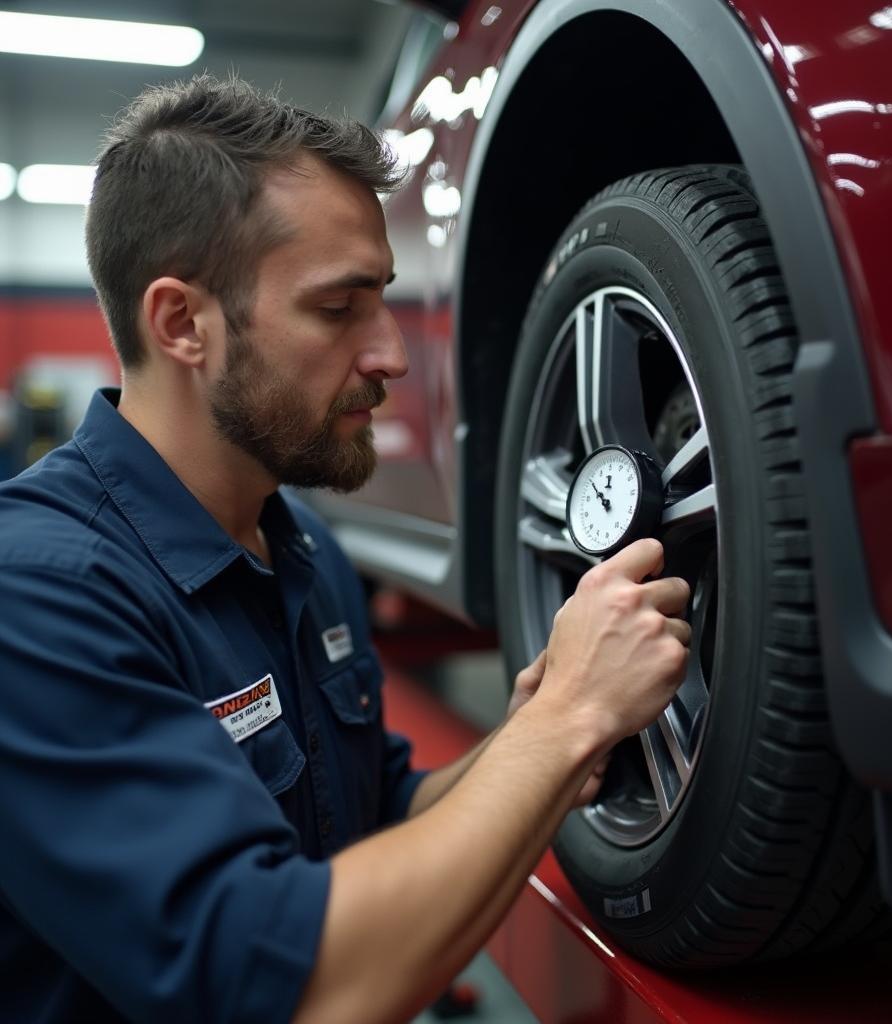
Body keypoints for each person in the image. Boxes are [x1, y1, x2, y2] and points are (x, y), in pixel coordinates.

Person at [0, 75, 691, 1024]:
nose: (392, 356)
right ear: (181, 324)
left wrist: (536, 738)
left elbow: (380, 818)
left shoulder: (305, 553)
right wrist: (562, 721)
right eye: (338, 309)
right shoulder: (38, 595)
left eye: (385, 302)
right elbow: (292, 989)